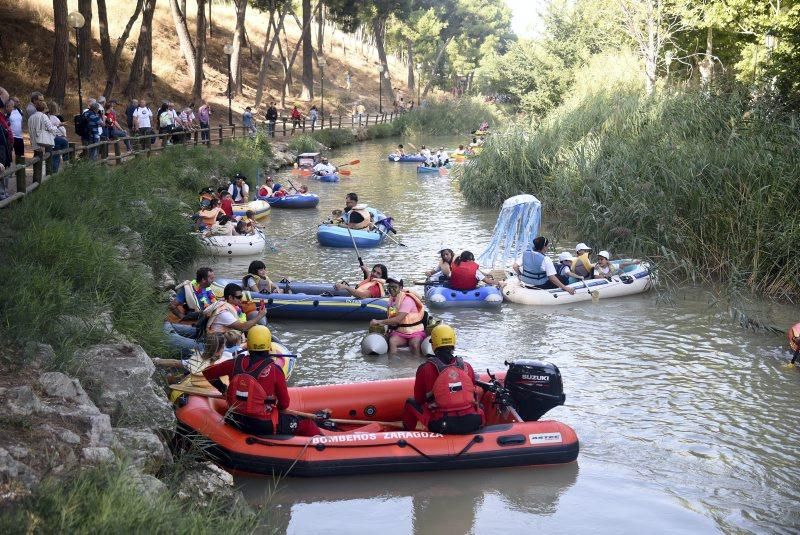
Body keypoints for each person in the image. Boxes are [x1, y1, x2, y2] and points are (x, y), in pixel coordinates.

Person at [203, 325, 323, 437]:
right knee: (307, 424)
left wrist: (223, 389)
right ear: (269, 346)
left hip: (234, 419)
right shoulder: (275, 370)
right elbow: (284, 404)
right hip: (262, 425)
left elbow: (207, 373)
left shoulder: (233, 363)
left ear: (248, 344)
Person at [402, 324, 483, 433]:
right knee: (480, 405)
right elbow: (472, 392)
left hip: (441, 425)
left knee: (410, 402)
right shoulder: (466, 366)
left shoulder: (425, 369)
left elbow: (419, 399)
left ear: (433, 343)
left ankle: (408, 436)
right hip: (472, 421)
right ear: (453, 342)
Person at [370, 278, 426, 357]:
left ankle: (416, 364)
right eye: (389, 287)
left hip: (415, 332)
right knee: (392, 342)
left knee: (415, 345)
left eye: (394, 287)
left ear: (400, 288)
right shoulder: (392, 300)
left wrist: (378, 322)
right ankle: (393, 366)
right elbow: (392, 318)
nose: (391, 289)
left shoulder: (407, 300)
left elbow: (397, 320)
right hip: (400, 332)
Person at [28, 100, 62, 170]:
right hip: (42, 141)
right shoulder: (44, 116)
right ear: (44, 108)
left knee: (36, 161)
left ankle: (36, 178)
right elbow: (51, 128)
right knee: (43, 161)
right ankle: (44, 178)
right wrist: (57, 126)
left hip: (34, 142)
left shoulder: (31, 117)